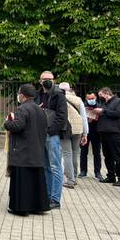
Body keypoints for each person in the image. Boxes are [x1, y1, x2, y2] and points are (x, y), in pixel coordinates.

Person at [4, 84, 50, 216]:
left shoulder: (22, 109)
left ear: (22, 95)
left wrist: (7, 122)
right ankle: (37, 206)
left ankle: (21, 208)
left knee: (22, 182)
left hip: (22, 151)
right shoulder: (40, 109)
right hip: (37, 150)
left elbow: (17, 126)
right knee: (36, 181)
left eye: (19, 93)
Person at [35, 71, 67, 209]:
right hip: (41, 134)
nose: (47, 81)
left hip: (52, 135)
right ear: (40, 81)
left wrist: (51, 131)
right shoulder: (38, 95)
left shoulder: (59, 95)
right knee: (45, 166)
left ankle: (55, 199)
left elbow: (62, 116)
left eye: (49, 79)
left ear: (54, 80)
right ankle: (47, 195)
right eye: (44, 79)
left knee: (55, 167)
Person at [95, 87, 120, 186]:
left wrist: (103, 111)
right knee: (107, 156)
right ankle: (111, 176)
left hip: (114, 133)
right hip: (104, 133)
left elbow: (118, 114)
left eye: (101, 95)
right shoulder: (104, 103)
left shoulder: (119, 102)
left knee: (117, 156)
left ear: (107, 93)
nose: (100, 98)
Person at [59, 83, 88, 189]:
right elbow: (84, 117)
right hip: (78, 129)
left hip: (65, 129)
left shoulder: (59, 98)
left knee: (66, 154)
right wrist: (85, 133)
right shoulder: (78, 100)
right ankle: (74, 177)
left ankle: (70, 180)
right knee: (75, 153)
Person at [80, 92, 103, 180]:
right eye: (89, 99)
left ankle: (97, 172)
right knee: (83, 152)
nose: (91, 100)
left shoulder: (100, 106)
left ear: (95, 97)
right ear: (86, 99)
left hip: (96, 132)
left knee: (97, 153)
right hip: (85, 132)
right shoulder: (82, 106)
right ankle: (83, 171)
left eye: (92, 98)